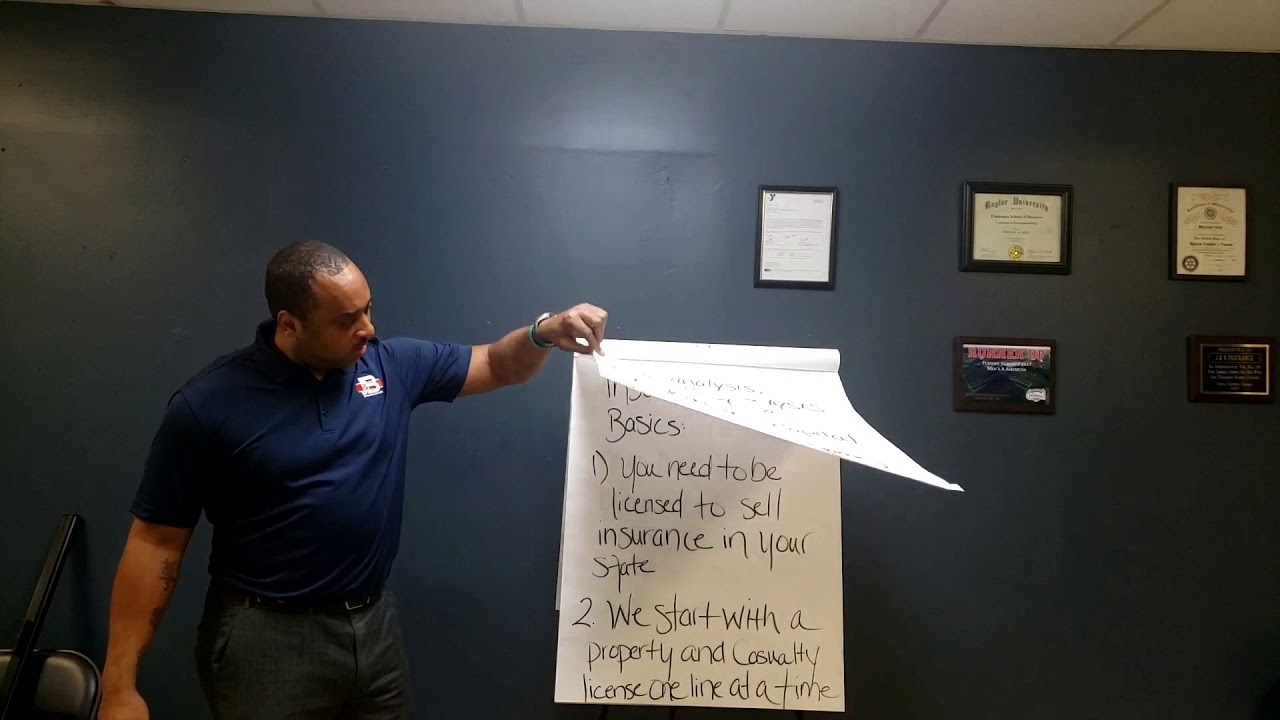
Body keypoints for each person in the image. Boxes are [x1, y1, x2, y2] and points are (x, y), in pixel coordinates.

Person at [97, 240, 608, 720]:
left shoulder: (391, 366)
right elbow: (156, 543)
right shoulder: (209, 404)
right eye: (347, 319)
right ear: (290, 324)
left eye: (368, 309)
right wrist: (119, 686)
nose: (367, 328)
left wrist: (543, 332)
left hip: (373, 628)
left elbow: (498, 363)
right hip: (266, 639)